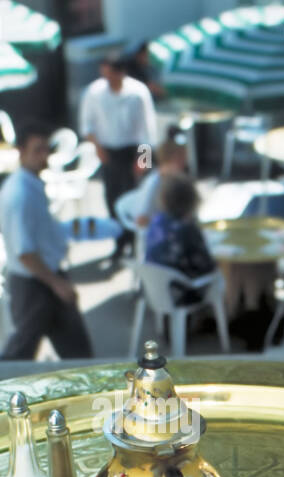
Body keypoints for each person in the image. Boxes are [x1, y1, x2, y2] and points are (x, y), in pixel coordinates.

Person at [0, 121, 94, 361]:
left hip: (42, 280)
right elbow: (24, 252)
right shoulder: (20, 195)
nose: (44, 156)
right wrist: (56, 283)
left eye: (46, 149)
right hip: (36, 285)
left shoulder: (28, 184)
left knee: (77, 353)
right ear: (20, 151)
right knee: (18, 357)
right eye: (37, 150)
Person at [80, 55, 158, 261]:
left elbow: (147, 131)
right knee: (111, 197)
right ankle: (119, 242)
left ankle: (134, 243)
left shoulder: (138, 93)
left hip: (132, 151)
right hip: (108, 151)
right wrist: (97, 148)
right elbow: (87, 125)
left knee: (135, 199)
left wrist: (143, 162)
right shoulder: (95, 92)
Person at [144, 174, 216, 307]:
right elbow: (207, 265)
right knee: (219, 277)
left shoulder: (156, 221)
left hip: (152, 287)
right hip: (178, 294)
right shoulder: (187, 229)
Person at [132, 134, 189, 230]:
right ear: (171, 158)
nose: (185, 162)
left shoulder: (178, 180)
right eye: (181, 158)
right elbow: (141, 220)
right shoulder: (154, 183)